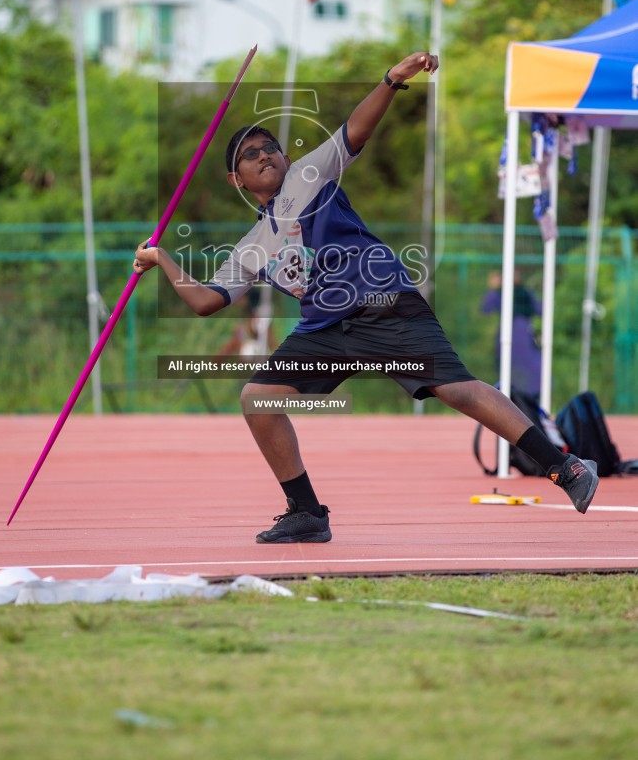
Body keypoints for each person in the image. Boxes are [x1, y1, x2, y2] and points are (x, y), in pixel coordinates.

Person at [134, 52, 598, 543]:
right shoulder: (250, 247)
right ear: (237, 180)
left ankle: (564, 467)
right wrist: (162, 258)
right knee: (257, 398)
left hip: (382, 301)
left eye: (269, 146)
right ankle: (306, 512)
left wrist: (392, 81)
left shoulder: (309, 175)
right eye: (250, 155)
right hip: (324, 331)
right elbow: (207, 301)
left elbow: (355, 129)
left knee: (455, 389)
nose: (264, 155)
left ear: (287, 158)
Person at [481, 269, 542, 398]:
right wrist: (493, 289)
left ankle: (529, 404)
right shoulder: (499, 294)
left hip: (526, 340)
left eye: (517, 273)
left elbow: (540, 309)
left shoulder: (526, 293)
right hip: (508, 340)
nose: (515, 276)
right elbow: (486, 310)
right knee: (507, 374)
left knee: (533, 374)